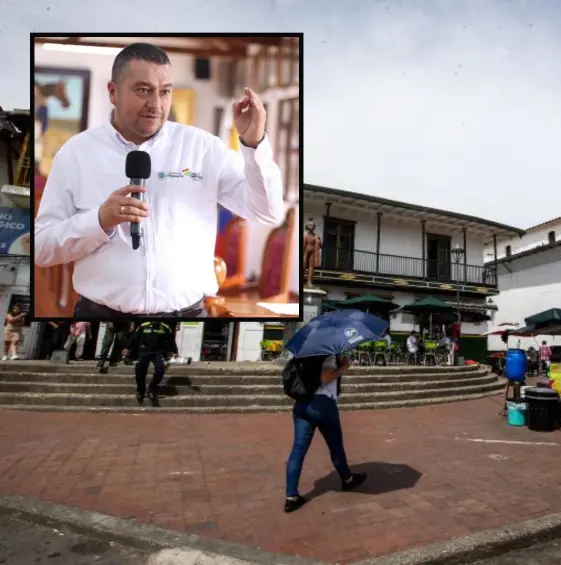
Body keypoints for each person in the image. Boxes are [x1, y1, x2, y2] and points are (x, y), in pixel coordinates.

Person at [34, 42, 286, 317]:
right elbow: (42, 248)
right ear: (113, 92)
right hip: (101, 319)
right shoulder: (75, 154)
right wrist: (98, 220)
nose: (155, 104)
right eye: (143, 90)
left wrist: (254, 144)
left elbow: (267, 211)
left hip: (189, 319)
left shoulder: (202, 149)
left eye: (165, 91)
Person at [284, 354, 367, 513]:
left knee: (298, 449)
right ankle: (347, 479)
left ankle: (291, 496)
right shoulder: (327, 354)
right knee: (335, 445)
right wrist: (343, 367)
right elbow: (325, 378)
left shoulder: (303, 355)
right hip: (322, 405)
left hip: (302, 404)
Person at [124, 320, 176, 405]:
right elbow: (134, 338)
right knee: (140, 370)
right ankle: (140, 390)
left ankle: (152, 389)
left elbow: (171, 340)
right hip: (144, 352)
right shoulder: (143, 325)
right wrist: (127, 347)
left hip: (158, 353)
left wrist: (174, 351)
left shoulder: (165, 327)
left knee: (160, 369)